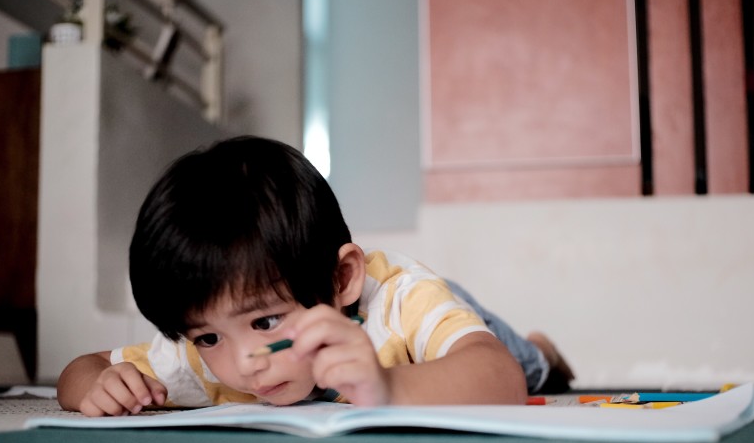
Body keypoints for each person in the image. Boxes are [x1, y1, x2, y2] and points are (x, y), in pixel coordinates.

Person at [57, 136, 574, 416]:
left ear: (342, 279)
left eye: (265, 324)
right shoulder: (205, 353)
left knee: (527, 364)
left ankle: (542, 348)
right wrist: (101, 385)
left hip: (436, 326)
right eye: (209, 336)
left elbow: (498, 377)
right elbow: (83, 368)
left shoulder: (399, 301)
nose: (244, 364)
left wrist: (387, 385)